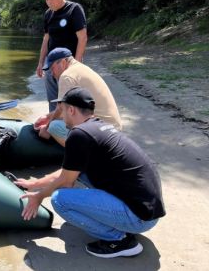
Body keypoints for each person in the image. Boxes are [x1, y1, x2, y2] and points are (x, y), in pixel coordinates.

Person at [16, 87, 165, 258]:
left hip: (138, 218)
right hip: (148, 211)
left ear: (71, 110)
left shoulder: (79, 135)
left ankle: (119, 240)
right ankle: (117, 224)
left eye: (62, 110)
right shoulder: (97, 127)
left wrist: (39, 196)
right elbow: (67, 173)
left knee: (60, 200)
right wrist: (33, 185)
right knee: (83, 174)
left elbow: (65, 182)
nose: (61, 115)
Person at [34, 47, 122, 147]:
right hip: (113, 128)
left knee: (54, 127)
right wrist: (47, 117)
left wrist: (47, 128)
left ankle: (81, 155)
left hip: (101, 132)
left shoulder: (66, 76)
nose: (52, 74)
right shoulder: (82, 68)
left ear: (63, 62)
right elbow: (66, 109)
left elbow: (62, 109)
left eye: (52, 68)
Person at [36, 0, 88, 112]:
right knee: (53, 101)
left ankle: (70, 130)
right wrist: (41, 62)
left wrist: (76, 65)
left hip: (68, 63)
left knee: (69, 101)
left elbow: (82, 38)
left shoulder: (74, 10)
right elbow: (45, 39)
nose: (48, 2)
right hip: (50, 64)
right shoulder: (48, 14)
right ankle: (53, 126)